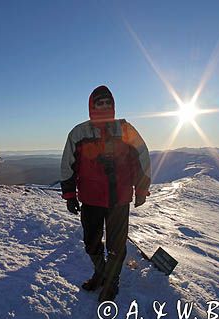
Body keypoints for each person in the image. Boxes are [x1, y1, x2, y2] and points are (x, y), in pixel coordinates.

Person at [60, 85, 151, 302]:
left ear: (113, 105)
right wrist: (70, 194)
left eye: (107, 103)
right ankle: (101, 273)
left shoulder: (125, 129)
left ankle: (111, 283)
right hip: (91, 197)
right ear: (92, 105)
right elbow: (68, 164)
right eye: (99, 103)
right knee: (91, 241)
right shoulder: (79, 132)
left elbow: (142, 157)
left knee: (116, 245)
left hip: (119, 197)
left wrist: (141, 188)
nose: (104, 106)